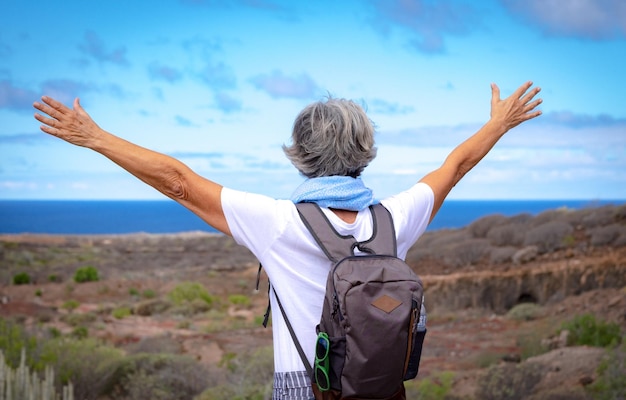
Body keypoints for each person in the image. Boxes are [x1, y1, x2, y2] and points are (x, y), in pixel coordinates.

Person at [33, 81, 542, 399]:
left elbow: (179, 182)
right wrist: (497, 123)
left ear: (299, 153)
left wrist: (94, 137)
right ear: (366, 151)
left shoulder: (278, 224)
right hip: (382, 393)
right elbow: (454, 168)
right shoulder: (395, 219)